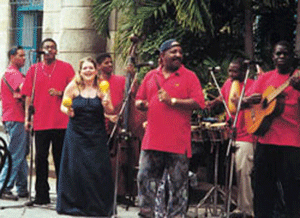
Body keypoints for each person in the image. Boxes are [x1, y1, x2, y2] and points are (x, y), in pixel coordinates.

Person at [135, 39, 205, 217]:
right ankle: (147, 213)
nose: (178, 55)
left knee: (178, 186)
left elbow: (198, 102)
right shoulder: (151, 76)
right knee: (144, 179)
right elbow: (139, 99)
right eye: (173, 52)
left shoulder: (190, 76)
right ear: (162, 56)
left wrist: (173, 101)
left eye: (180, 52)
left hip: (177, 142)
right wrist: (141, 104)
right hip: (152, 140)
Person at [243, 40, 300, 218]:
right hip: (265, 140)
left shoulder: (297, 78)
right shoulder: (265, 78)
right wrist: (248, 100)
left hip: (291, 142)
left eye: (285, 53)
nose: (281, 56)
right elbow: (243, 103)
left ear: (292, 57)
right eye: (278, 54)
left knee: (292, 190)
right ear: (273, 57)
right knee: (262, 188)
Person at [56, 57, 114, 216]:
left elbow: (110, 110)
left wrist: (106, 101)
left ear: (96, 71)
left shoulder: (102, 87)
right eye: (85, 68)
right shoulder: (73, 86)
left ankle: (96, 205)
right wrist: (68, 110)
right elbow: (63, 104)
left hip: (96, 134)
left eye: (91, 68)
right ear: (80, 71)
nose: (88, 71)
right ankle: (73, 204)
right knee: (76, 168)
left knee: (96, 168)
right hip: (76, 133)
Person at [21, 38, 75, 205]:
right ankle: (41, 195)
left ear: (56, 51)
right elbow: (28, 95)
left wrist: (60, 93)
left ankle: (63, 195)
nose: (49, 50)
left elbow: (75, 92)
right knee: (40, 158)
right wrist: (26, 118)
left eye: (52, 47)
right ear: (41, 50)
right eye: (46, 47)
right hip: (41, 121)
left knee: (60, 158)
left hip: (61, 121)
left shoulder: (66, 67)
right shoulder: (34, 70)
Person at [206, 58, 255, 217]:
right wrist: (211, 103)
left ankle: (247, 210)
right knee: (233, 173)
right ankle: (237, 205)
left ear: (243, 71)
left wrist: (241, 100)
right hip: (232, 134)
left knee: (244, 173)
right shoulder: (228, 83)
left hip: (247, 135)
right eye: (230, 71)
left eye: (235, 71)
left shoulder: (251, 84)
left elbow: (256, 103)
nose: (232, 74)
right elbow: (223, 97)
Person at [0, 46, 28, 200]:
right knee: (16, 153)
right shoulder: (13, 73)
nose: (24, 58)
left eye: (24, 56)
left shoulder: (10, 73)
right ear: (12, 57)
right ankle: (4, 186)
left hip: (13, 116)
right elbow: (25, 90)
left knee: (21, 153)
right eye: (20, 56)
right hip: (16, 117)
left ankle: (22, 187)